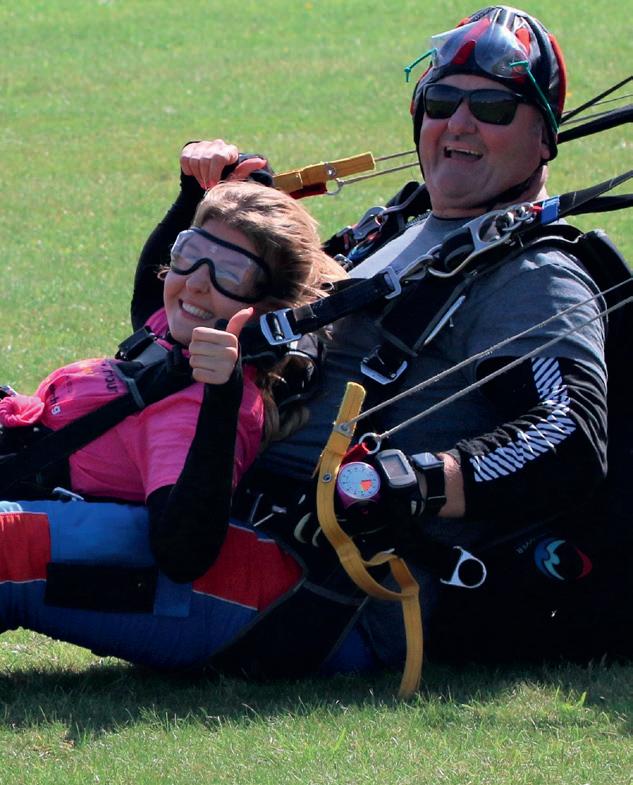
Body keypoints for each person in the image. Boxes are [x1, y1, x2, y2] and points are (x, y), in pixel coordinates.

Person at [1, 6, 629, 680]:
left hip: (310, 585)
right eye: (443, 101)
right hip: (201, 501)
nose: (460, 123)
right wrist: (218, 213)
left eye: (493, 108)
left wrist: (410, 479)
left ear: (543, 137)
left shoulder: (532, 277)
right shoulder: (393, 229)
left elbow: (567, 436)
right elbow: (180, 324)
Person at [0, 180, 344, 583]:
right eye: (190, 253)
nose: (195, 282)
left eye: (230, 273)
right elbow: (150, 291)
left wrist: (221, 395)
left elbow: (184, 553)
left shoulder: (192, 408)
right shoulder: (174, 338)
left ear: (268, 309)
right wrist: (193, 189)